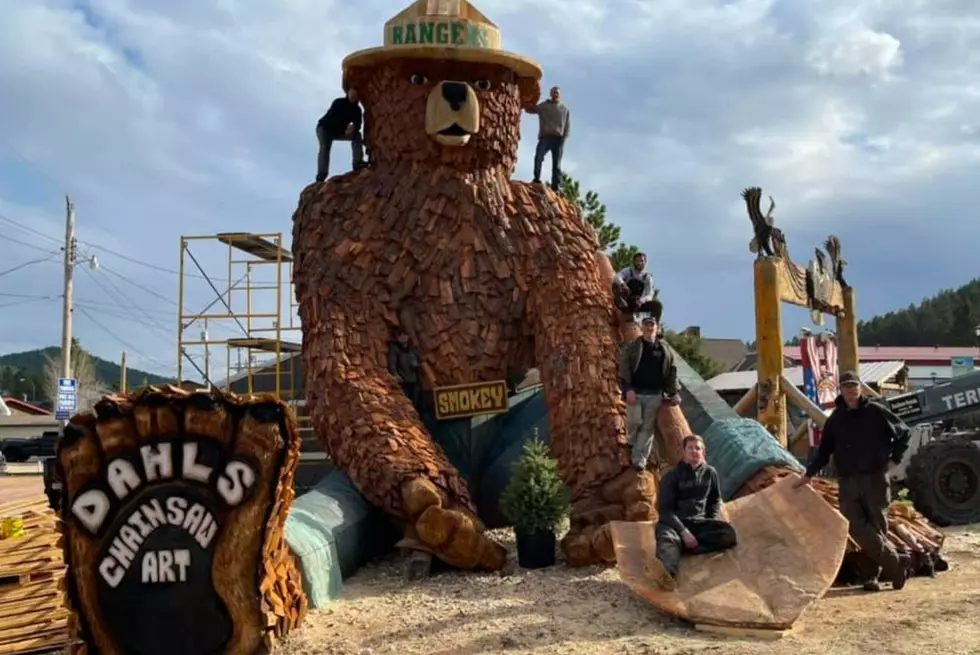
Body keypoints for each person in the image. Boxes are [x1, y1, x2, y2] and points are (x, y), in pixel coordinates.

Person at [793, 370, 913, 592]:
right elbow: (824, 451)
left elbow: (904, 433)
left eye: (854, 385)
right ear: (841, 389)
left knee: (877, 526)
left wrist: (894, 459)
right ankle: (896, 562)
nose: (850, 389)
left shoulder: (877, 412)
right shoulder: (836, 419)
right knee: (855, 525)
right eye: (846, 386)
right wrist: (808, 475)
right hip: (848, 480)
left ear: (859, 387)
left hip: (875, 477)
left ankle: (873, 576)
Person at [645, 435, 738, 591]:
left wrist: (712, 521)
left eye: (698, 448)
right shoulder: (671, 477)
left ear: (703, 452)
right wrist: (684, 532)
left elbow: (714, 500)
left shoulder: (711, 473)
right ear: (684, 451)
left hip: (699, 523)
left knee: (728, 534)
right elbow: (665, 511)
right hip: (675, 523)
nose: (694, 451)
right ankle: (666, 574)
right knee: (668, 540)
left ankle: (683, 547)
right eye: (690, 448)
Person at [618, 316, 681, 471]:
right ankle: (631, 445)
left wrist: (673, 392)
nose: (649, 328)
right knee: (634, 422)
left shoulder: (664, 349)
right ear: (642, 327)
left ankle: (639, 458)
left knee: (647, 427)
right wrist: (628, 389)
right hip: (636, 392)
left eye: (652, 325)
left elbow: (672, 371)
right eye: (646, 325)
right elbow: (624, 368)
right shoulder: (633, 347)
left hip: (655, 394)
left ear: (657, 327)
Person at [315, 87, 367, 182]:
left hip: (339, 131)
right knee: (325, 147)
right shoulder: (339, 102)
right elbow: (333, 118)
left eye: (356, 94)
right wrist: (345, 129)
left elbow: (358, 124)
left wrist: (354, 128)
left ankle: (358, 163)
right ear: (348, 92)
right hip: (325, 128)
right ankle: (321, 175)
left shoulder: (357, 110)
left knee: (357, 136)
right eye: (352, 92)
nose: (354, 95)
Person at [525, 86, 570, 191]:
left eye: (557, 93)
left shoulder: (564, 109)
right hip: (545, 137)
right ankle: (536, 179)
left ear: (559, 95)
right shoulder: (543, 106)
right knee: (538, 157)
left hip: (558, 139)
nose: (555, 94)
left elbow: (567, 125)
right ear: (550, 94)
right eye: (554, 92)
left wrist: (564, 138)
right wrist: (529, 99)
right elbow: (530, 109)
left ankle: (555, 187)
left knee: (557, 165)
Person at [613, 252, 660, 319]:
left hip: (638, 302)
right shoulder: (629, 271)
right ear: (634, 262)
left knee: (657, 306)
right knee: (616, 287)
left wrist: (642, 300)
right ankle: (625, 311)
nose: (639, 263)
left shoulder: (647, 277)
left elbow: (649, 294)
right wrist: (623, 284)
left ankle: (637, 317)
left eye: (641, 261)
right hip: (626, 298)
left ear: (645, 262)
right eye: (637, 261)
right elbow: (617, 277)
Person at [388, 329, 422, 409]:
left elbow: (419, 361)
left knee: (415, 403)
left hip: (414, 380)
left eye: (405, 335)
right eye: (401, 335)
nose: (403, 337)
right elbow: (392, 364)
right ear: (397, 338)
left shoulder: (412, 350)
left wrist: (416, 364)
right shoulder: (395, 350)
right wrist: (396, 375)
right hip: (403, 382)